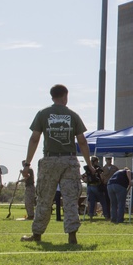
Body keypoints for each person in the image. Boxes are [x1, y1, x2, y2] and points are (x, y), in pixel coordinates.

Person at [20, 84, 93, 245]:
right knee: (70, 199)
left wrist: (27, 164)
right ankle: (72, 235)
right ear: (65, 96)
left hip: (50, 160)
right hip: (70, 160)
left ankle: (37, 234)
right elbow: (82, 141)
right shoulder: (73, 115)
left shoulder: (43, 114)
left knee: (44, 199)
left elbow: (34, 139)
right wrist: (90, 164)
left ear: (52, 97)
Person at [99, 156, 119, 221]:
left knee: (114, 200)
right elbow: (101, 177)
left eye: (110, 159)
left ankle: (115, 215)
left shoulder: (115, 168)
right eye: (108, 159)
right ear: (105, 160)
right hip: (106, 185)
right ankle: (108, 215)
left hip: (113, 184)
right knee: (107, 200)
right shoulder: (103, 168)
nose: (109, 160)